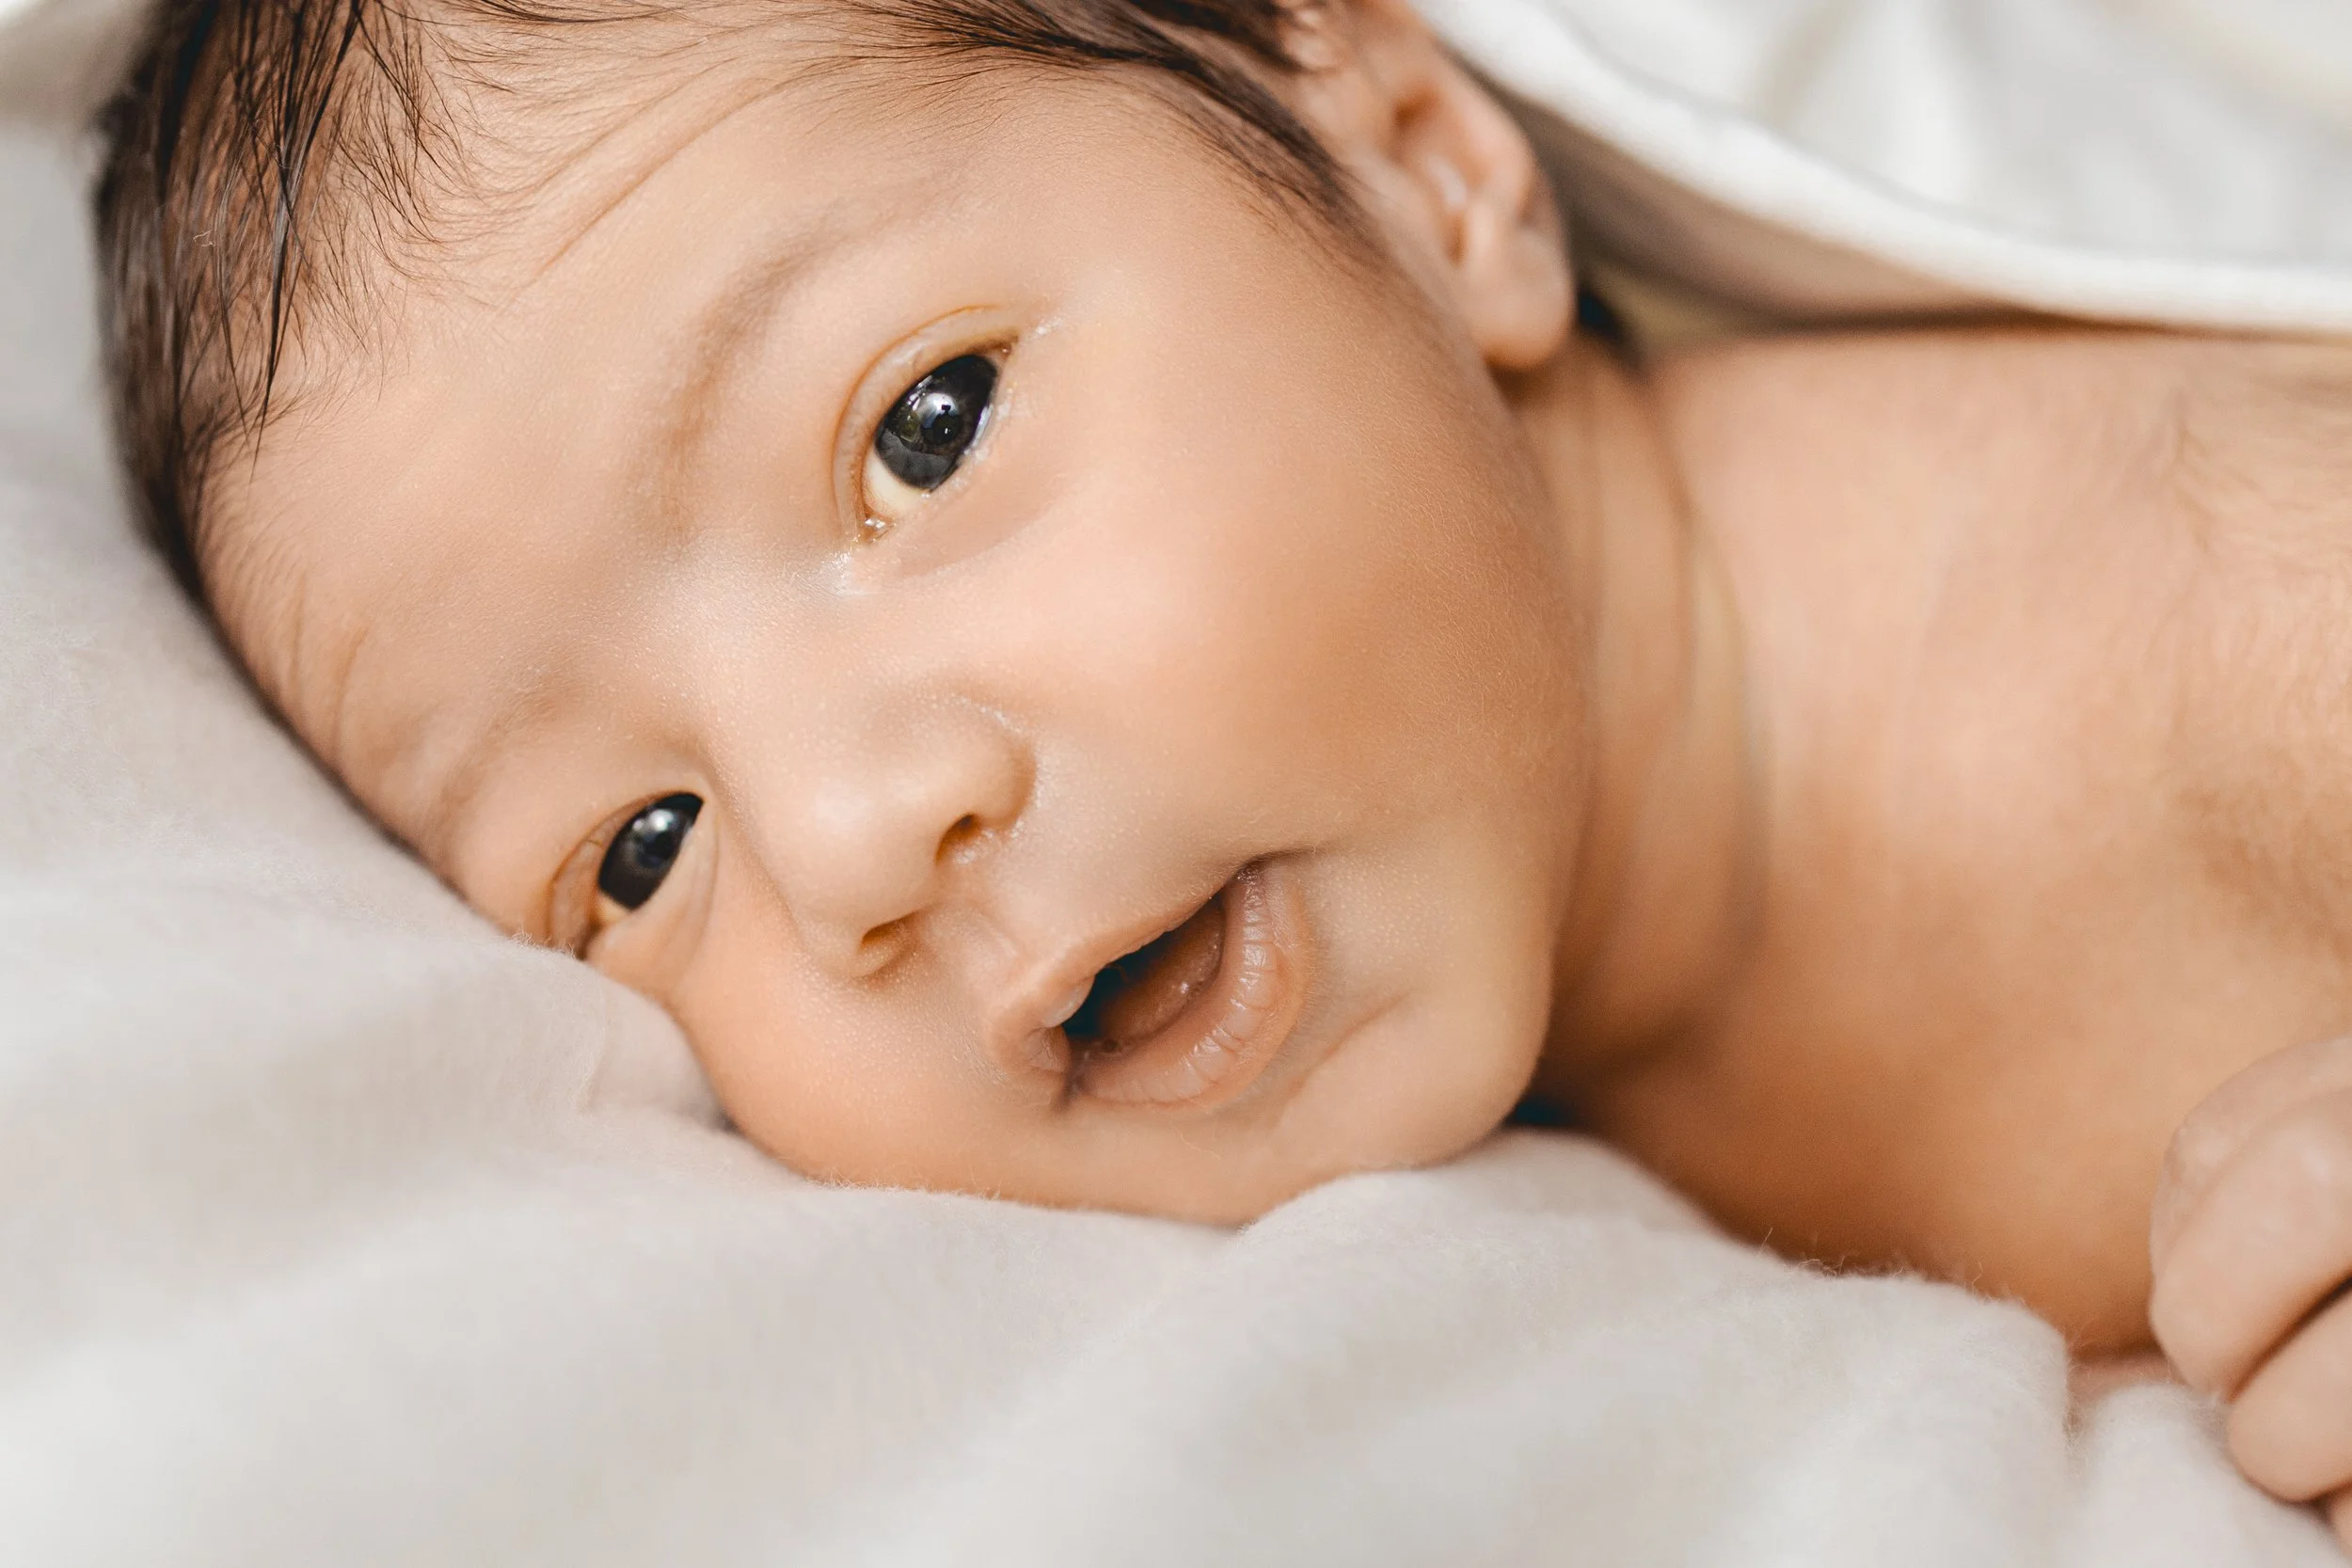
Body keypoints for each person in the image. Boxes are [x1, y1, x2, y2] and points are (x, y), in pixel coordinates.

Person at [90, 0, 2352, 1537]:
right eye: (639, 846)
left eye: (924, 429)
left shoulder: (2186, 615)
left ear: (1425, 171)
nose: (854, 837)